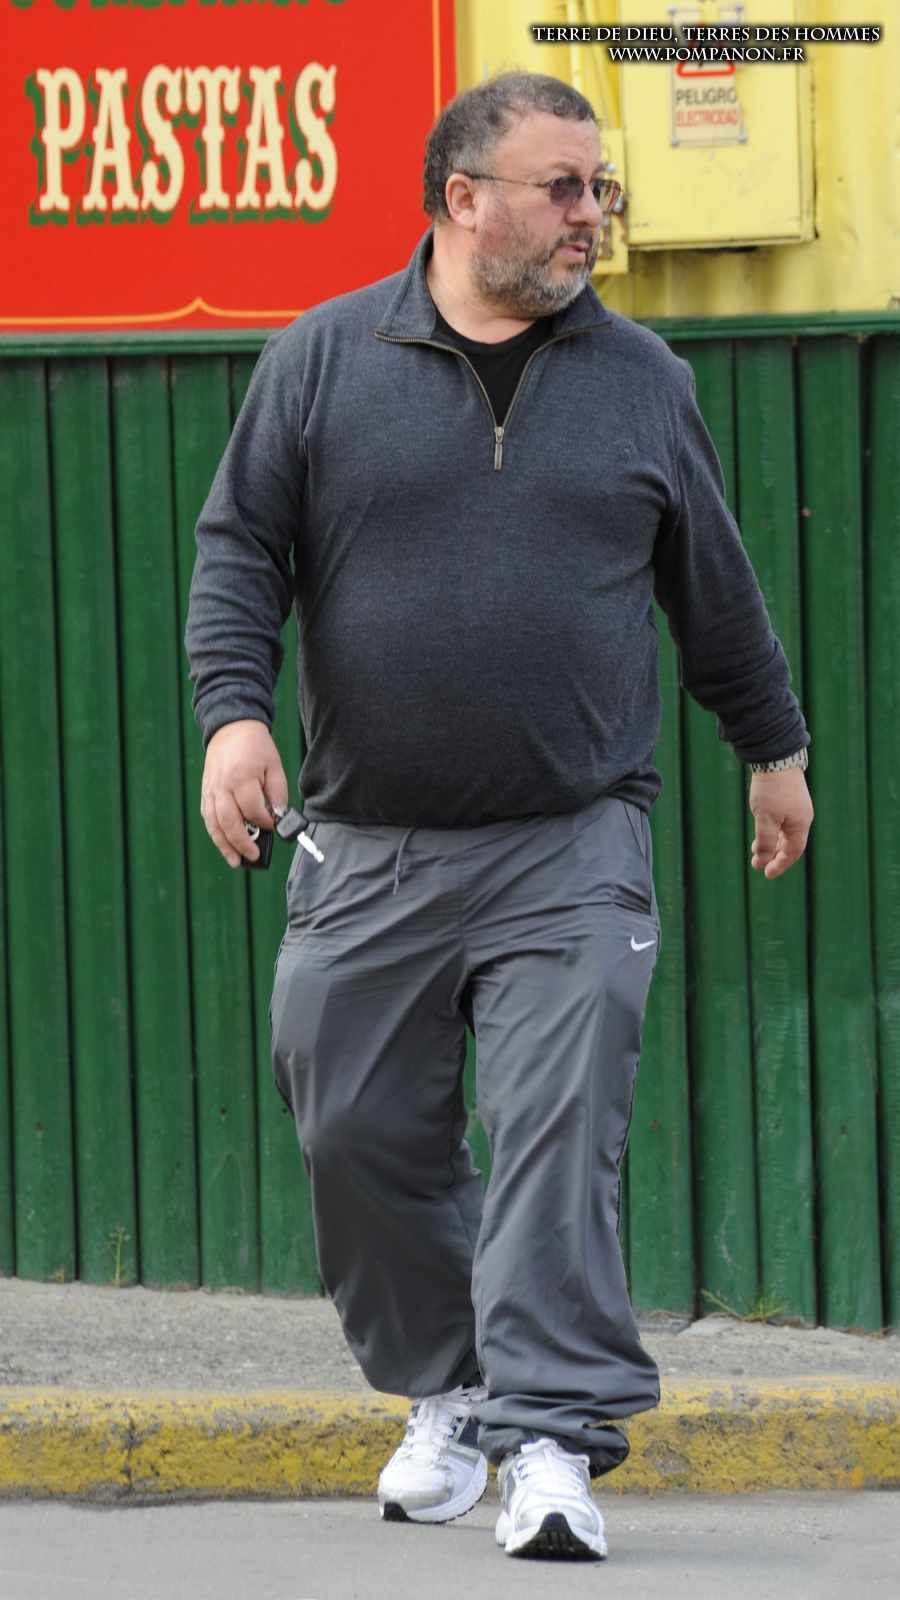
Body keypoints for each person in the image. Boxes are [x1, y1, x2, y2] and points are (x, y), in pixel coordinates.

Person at [184, 70, 814, 1562]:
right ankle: (455, 1389)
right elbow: (239, 551)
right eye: (562, 187)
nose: (592, 214)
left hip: (570, 839)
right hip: (368, 843)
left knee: (557, 1126)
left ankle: (550, 1440)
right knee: (351, 1127)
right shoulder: (322, 360)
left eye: (601, 188)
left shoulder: (644, 379)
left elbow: (712, 588)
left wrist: (774, 747)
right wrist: (233, 716)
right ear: (462, 200)